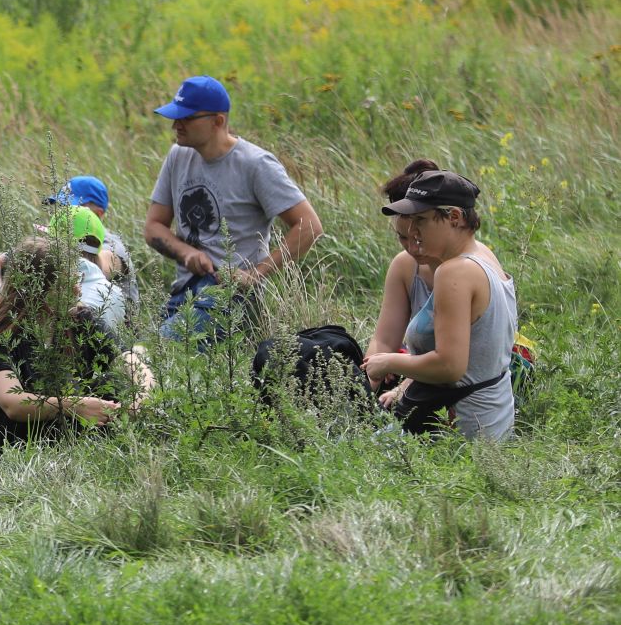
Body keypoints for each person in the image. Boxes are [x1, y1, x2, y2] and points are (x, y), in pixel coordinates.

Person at [144, 75, 323, 341]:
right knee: (133, 352)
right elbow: (153, 227)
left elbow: (310, 226)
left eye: (186, 118)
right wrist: (187, 253)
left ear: (218, 121)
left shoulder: (255, 164)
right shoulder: (178, 155)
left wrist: (255, 275)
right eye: (175, 116)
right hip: (184, 290)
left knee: (156, 351)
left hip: (231, 297)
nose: (175, 124)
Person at [363, 171, 517, 440]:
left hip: (461, 438)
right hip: (493, 426)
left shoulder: (454, 272)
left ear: (454, 218)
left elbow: (449, 367)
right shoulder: (482, 255)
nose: (412, 231)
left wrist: (387, 362)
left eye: (421, 220)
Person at [0, 236, 153, 451]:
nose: (77, 290)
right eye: (65, 285)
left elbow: (128, 358)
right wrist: (76, 406)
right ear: (36, 290)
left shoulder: (80, 318)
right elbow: (12, 404)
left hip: (61, 430)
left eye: (77, 280)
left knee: (112, 384)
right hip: (8, 437)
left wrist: (143, 394)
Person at [0, 206, 129, 337]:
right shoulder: (115, 290)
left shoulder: (57, 301)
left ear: (56, 245)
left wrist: (2, 297)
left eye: (48, 239)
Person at [366, 159, 441, 400]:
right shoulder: (404, 265)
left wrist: (402, 387)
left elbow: (452, 358)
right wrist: (368, 380)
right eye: (402, 238)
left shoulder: (460, 270)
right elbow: (384, 338)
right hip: (413, 369)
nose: (412, 248)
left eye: (418, 238)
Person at [45, 174, 139, 308]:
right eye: (60, 206)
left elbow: (100, 264)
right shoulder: (59, 240)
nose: (62, 213)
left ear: (98, 214)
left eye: (73, 207)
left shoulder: (112, 246)